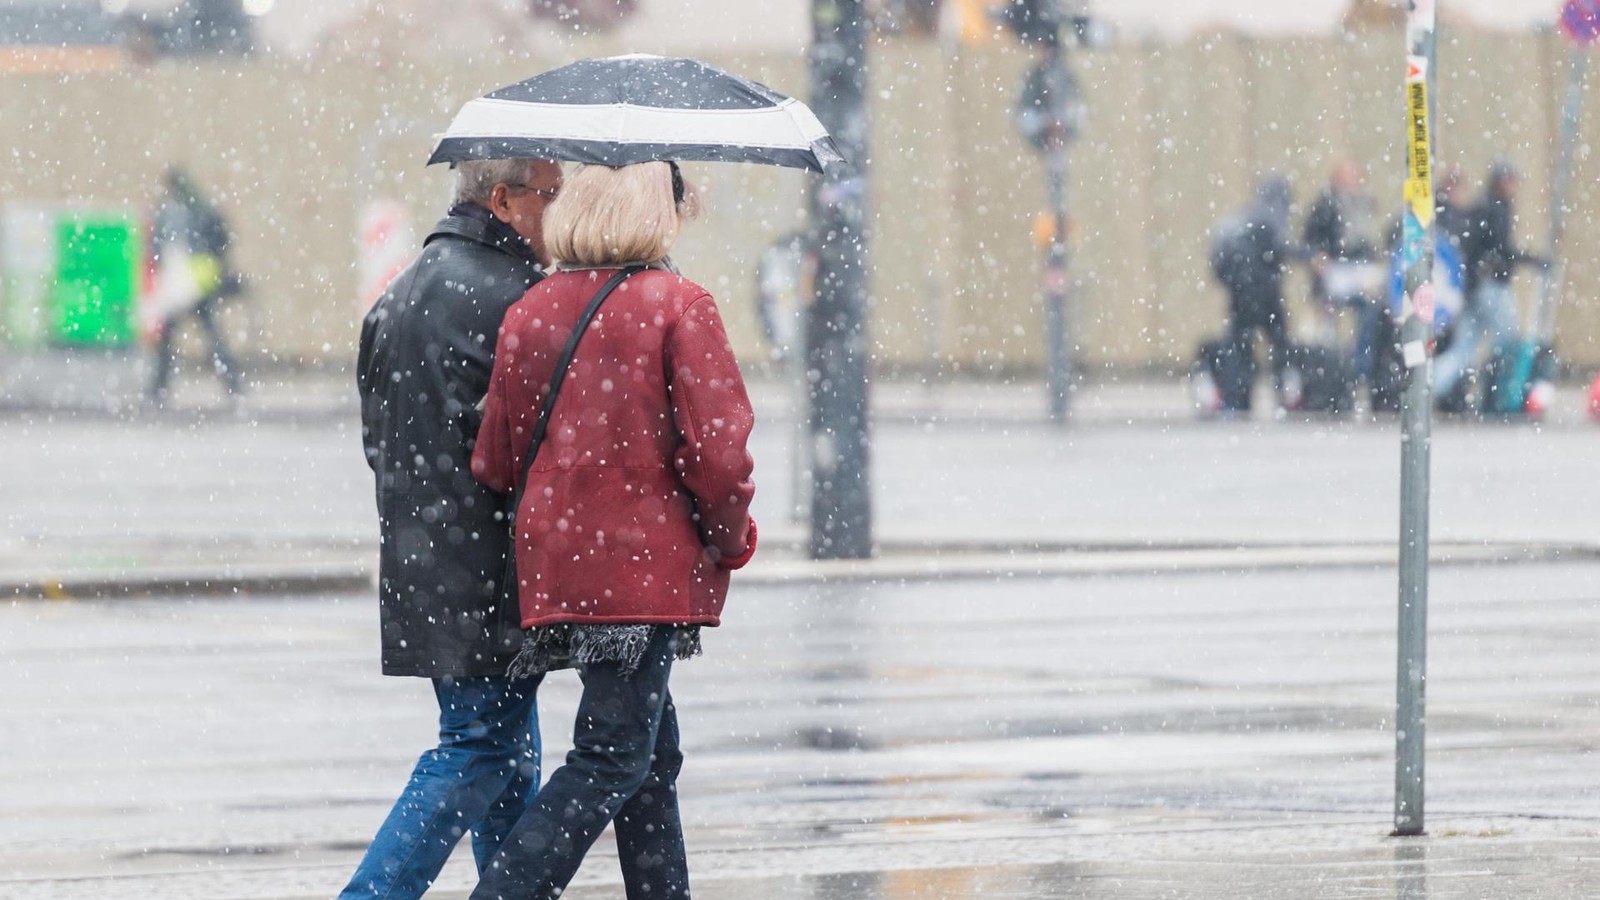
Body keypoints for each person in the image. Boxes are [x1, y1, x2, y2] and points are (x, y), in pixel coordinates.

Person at [468, 160, 757, 900]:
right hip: (642, 573)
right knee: (609, 759)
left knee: (650, 758)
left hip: (560, 566)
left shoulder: (530, 310)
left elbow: (496, 460)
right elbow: (719, 456)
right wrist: (730, 539)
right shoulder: (678, 306)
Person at [343, 156, 563, 900]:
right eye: (549, 197)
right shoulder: (518, 300)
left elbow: (379, 442)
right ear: (503, 200)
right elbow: (534, 450)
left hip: (426, 562)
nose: (558, 214)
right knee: (479, 750)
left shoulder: (402, 290)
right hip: (490, 571)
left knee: (505, 755)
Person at [1434, 162, 1547, 410]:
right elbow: (1501, 249)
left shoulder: (1482, 206)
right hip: (1491, 287)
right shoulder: (1495, 208)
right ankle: (1500, 395)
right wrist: (1532, 259)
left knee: (1464, 350)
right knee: (1508, 342)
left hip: (1476, 287)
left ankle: (1429, 386)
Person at [145, 166, 245, 405]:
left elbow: (157, 245)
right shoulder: (201, 205)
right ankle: (232, 383)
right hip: (201, 281)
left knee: (170, 337)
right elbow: (222, 237)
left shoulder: (170, 210)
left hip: (182, 282)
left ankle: (159, 386)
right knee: (211, 334)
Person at [1210, 176, 1297, 410]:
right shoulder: (1270, 219)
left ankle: (1237, 398)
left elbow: (1218, 261)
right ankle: (1283, 396)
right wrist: (1310, 257)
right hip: (1266, 296)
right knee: (1279, 347)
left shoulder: (1239, 222)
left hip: (1241, 296)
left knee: (1240, 349)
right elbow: (1281, 246)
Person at [1304, 160, 1384, 380]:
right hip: (1336, 268)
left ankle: (1361, 368)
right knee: (1328, 318)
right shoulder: (1326, 205)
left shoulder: (1365, 204)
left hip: (1359, 269)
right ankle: (1331, 367)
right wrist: (1320, 257)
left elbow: (1368, 241)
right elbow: (1312, 240)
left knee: (1369, 312)